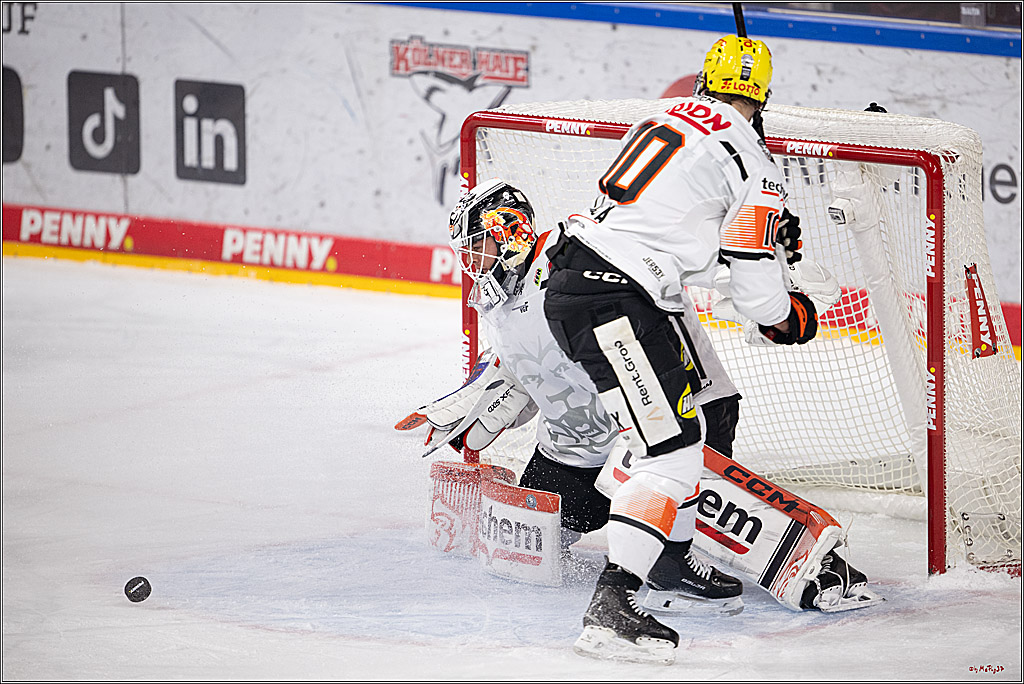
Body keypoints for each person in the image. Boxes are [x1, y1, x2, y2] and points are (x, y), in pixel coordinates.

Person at [540, 34, 874, 663]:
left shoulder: (662, 118)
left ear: (702, 83)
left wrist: (747, 235)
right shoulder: (751, 160)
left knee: (684, 432)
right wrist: (790, 311)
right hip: (621, 299)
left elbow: (665, 222)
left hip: (580, 282)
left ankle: (665, 566)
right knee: (669, 455)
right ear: (763, 97)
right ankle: (614, 606)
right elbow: (760, 302)